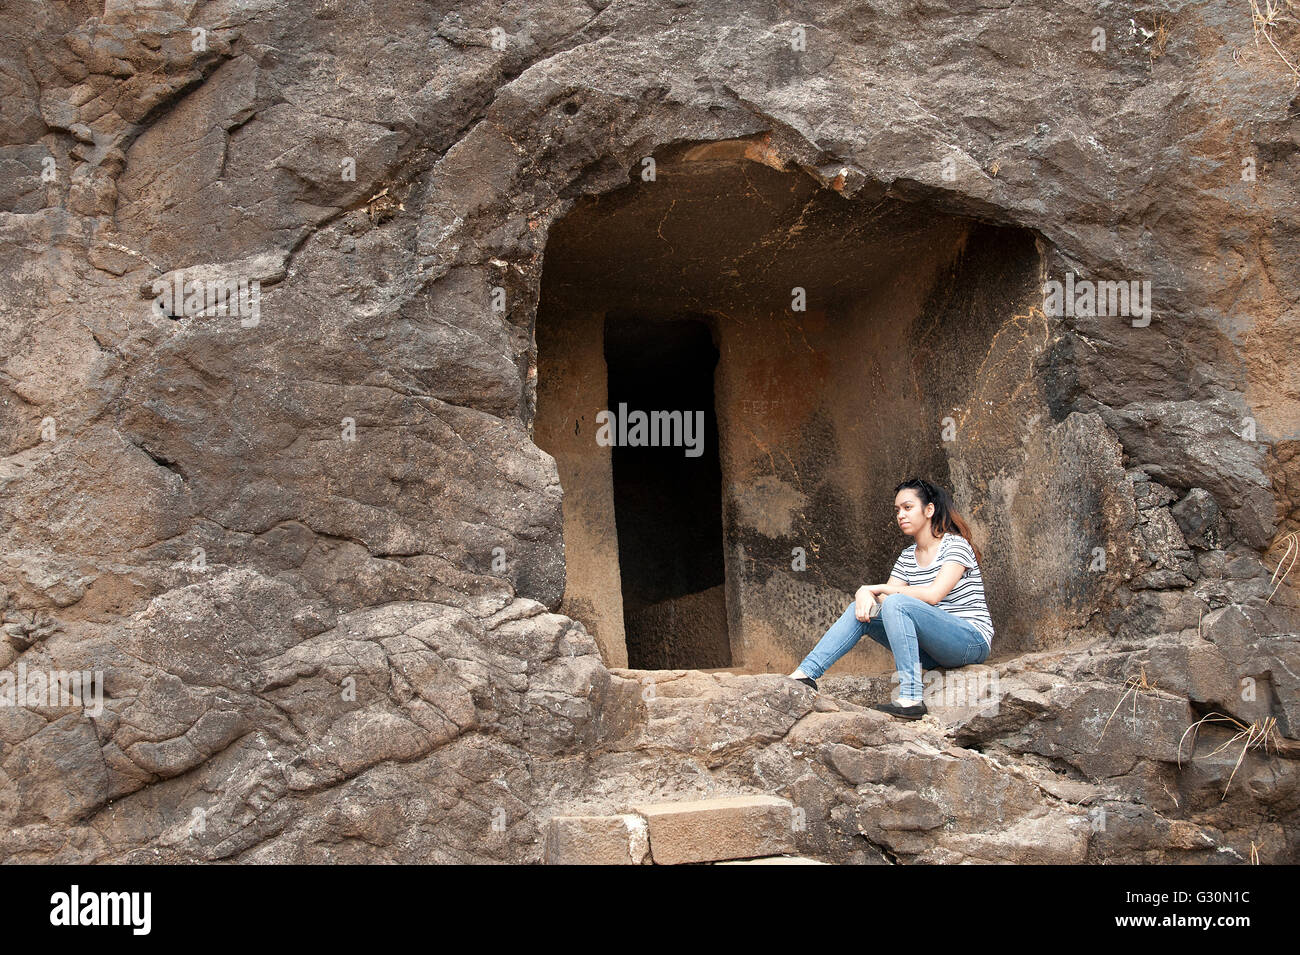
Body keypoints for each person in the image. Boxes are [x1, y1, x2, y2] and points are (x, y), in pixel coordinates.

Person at [787, 478, 995, 719]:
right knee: (861, 610)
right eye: (897, 510)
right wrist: (865, 594)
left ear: (929, 510)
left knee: (896, 602)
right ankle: (805, 675)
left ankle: (911, 698)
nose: (900, 515)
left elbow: (933, 594)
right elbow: (885, 602)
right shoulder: (908, 557)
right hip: (934, 651)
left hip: (969, 642)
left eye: (908, 508)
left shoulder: (955, 546)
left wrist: (871, 588)